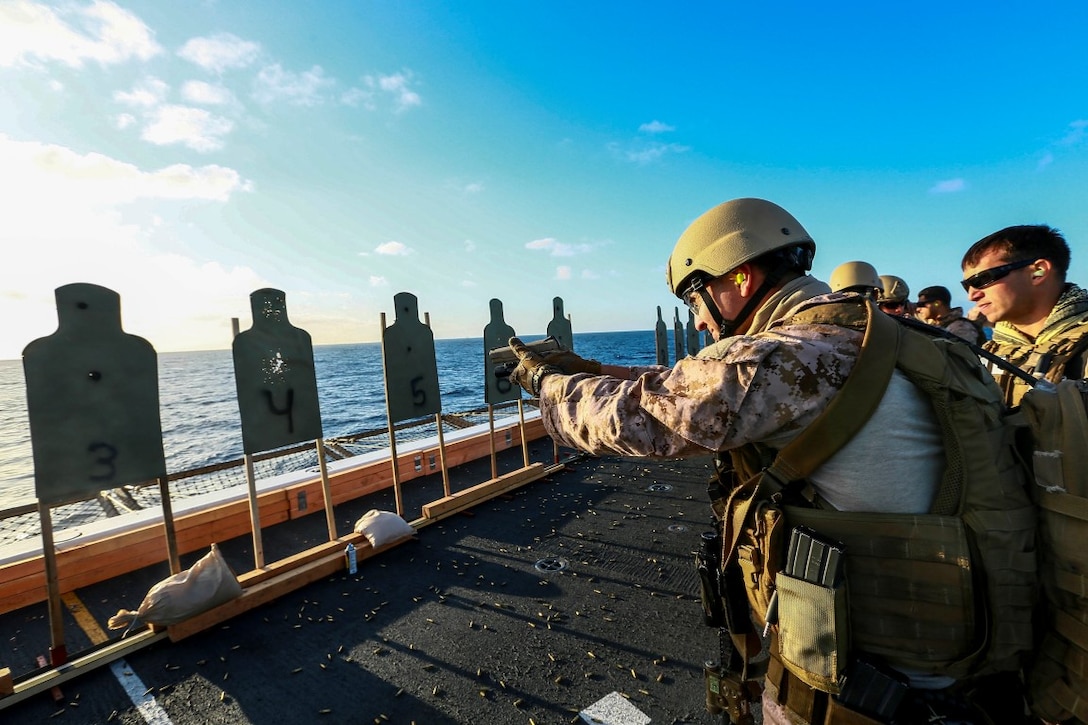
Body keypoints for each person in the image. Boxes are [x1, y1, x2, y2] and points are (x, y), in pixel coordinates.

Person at [506, 198, 1033, 724]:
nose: (701, 320)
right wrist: (593, 367)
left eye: (697, 298)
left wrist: (546, 384)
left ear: (738, 278)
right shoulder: (882, 334)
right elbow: (697, 381)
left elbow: (641, 416)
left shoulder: (796, 353)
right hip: (955, 647)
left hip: (870, 683)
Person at [961, 224, 1088, 407]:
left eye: (982, 279)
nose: (972, 295)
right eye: (967, 286)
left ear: (1038, 272)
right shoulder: (987, 355)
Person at [914, 285, 984, 344]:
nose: (918, 309)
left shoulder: (960, 327)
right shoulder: (938, 325)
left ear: (937, 303)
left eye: (922, 304)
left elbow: (963, 356)